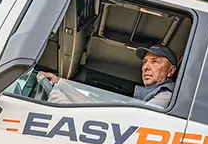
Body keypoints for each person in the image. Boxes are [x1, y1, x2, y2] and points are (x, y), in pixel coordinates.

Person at [35, 44, 178, 108]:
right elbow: (94, 107)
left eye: (155, 62)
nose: (146, 67)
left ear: (171, 71)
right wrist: (60, 83)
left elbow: (137, 119)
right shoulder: (146, 95)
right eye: (145, 62)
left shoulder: (165, 95)